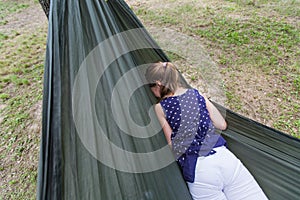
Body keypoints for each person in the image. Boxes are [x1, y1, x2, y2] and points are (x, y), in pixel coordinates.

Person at [145, 61, 268, 200]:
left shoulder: (160, 107)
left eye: (151, 87)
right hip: (225, 159)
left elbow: (172, 146)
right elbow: (222, 124)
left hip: (200, 169)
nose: (152, 91)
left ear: (158, 83)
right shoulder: (196, 94)